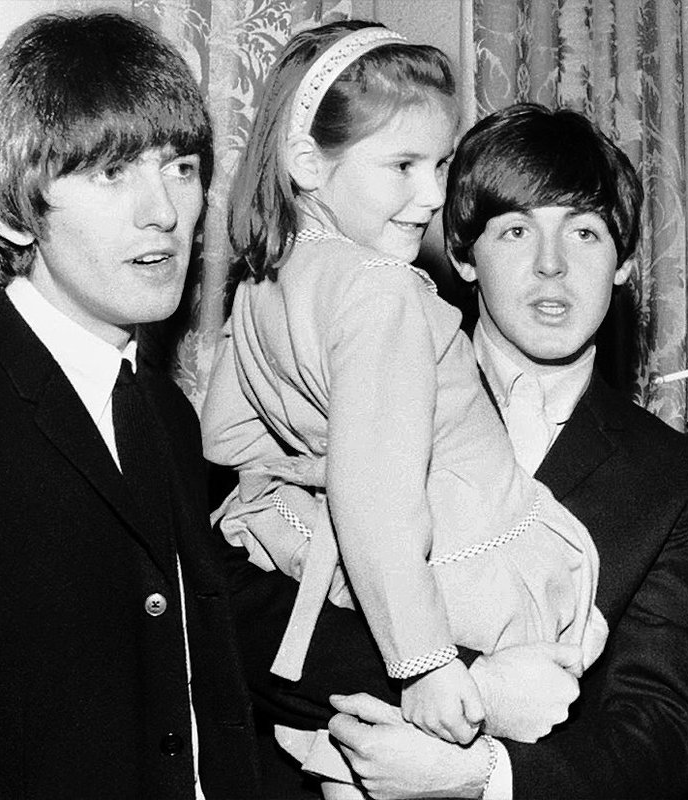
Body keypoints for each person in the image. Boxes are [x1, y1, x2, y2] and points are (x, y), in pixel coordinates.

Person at [213, 101, 688, 799]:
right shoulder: (346, 372)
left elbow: (665, 733)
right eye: (515, 231)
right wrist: (468, 688)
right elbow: (234, 618)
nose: (551, 265)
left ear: (625, 263)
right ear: (461, 254)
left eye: (585, 232)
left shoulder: (674, 476)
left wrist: (484, 775)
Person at [200, 22, 609, 792]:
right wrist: (423, 662)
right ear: (307, 163)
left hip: (345, 576)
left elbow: (228, 438)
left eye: (441, 164)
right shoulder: (379, 288)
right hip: (456, 583)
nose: (433, 195)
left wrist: (308, 494)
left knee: (367, 765)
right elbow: (378, 497)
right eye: (403, 166)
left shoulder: (262, 282)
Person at [0, 11, 260, 799]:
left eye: (180, 166)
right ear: (14, 212)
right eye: (112, 172)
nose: (165, 212)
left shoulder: (166, 412)